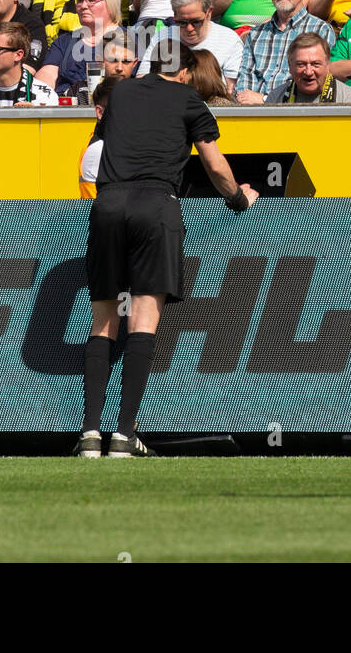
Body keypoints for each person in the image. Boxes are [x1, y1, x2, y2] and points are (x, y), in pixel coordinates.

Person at [78, 38, 258, 458]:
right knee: (142, 320)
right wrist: (238, 198)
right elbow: (214, 164)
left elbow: (95, 149)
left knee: (103, 321)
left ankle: (89, 435)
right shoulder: (190, 100)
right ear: (184, 71)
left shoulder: (119, 91)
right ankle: (124, 435)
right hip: (155, 206)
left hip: (108, 204)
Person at [233, 0, 335, 102]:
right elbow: (244, 84)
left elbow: (318, 85)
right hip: (253, 114)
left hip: (297, 113)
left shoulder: (321, 30)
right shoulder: (256, 34)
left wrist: (265, 100)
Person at [136, 0, 243, 86]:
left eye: (196, 22)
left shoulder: (230, 40)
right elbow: (142, 79)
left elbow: (231, 90)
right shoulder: (163, 36)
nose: (189, 28)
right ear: (174, 15)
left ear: (209, 13)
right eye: (182, 22)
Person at [36, 0, 124, 95]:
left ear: (110, 3)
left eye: (91, 0)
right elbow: (46, 75)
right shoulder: (64, 41)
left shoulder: (130, 41)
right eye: (80, 1)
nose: (83, 6)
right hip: (66, 107)